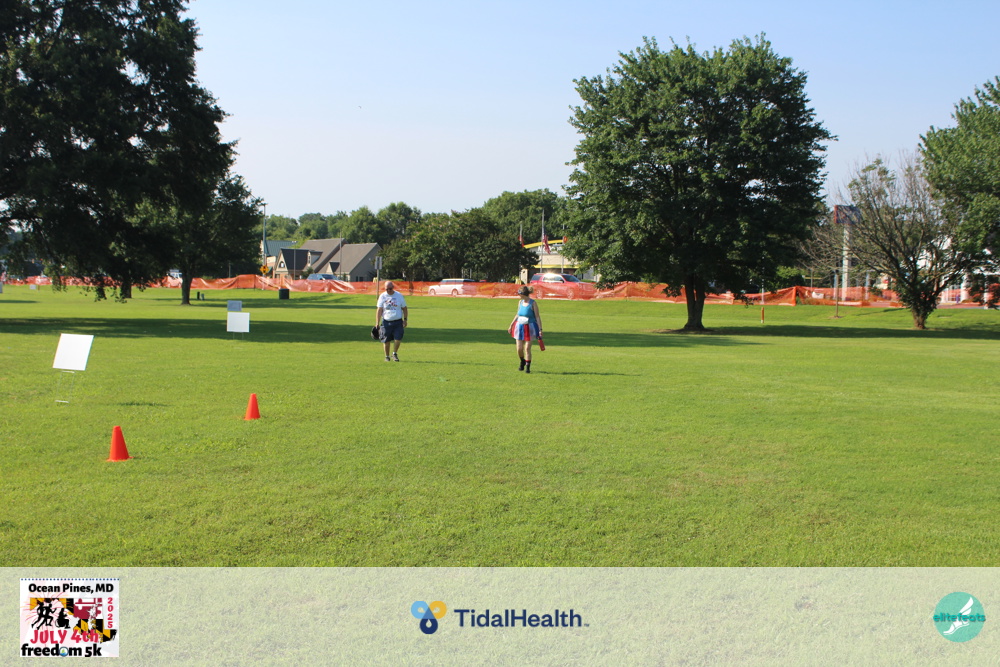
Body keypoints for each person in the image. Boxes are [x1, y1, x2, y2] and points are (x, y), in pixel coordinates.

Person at [509, 285, 542, 373]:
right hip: (519, 326)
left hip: (530, 327)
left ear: (523, 294)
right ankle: (522, 361)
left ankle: (527, 367)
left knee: (527, 348)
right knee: (519, 348)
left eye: (519, 294)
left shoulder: (533, 303)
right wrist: (511, 325)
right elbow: (518, 314)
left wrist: (540, 329)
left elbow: (537, 317)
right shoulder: (520, 302)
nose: (518, 295)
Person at [376, 281, 408, 361]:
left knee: (398, 338)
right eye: (387, 289)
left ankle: (394, 353)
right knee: (386, 340)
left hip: (398, 321)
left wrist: (405, 320)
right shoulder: (382, 296)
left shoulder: (399, 296)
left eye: (390, 289)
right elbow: (379, 310)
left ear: (393, 288)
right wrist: (377, 322)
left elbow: (404, 308)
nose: (388, 291)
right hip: (386, 321)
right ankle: (387, 356)